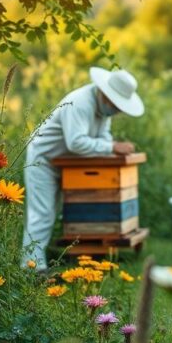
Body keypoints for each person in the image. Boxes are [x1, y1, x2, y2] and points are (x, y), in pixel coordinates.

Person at [21, 67, 144, 271]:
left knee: (58, 211)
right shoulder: (80, 103)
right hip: (43, 160)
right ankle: (31, 268)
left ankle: (43, 259)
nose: (118, 111)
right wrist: (113, 147)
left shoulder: (103, 108)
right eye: (117, 105)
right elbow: (76, 143)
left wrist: (111, 148)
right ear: (106, 95)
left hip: (69, 163)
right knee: (42, 213)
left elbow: (103, 136)